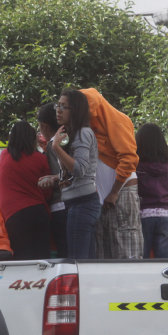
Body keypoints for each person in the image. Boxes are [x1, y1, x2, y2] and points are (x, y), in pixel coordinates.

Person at [79, 88, 143, 259]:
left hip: (120, 193)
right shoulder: (89, 127)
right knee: (103, 249)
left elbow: (129, 159)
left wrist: (114, 192)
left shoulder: (118, 120)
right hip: (102, 197)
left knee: (125, 246)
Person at [39, 89, 101, 259]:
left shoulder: (83, 133)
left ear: (76, 110)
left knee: (77, 261)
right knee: (83, 260)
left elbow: (80, 169)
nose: (58, 110)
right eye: (57, 105)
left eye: (63, 107)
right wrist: (54, 178)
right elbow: (74, 174)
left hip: (83, 204)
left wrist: (56, 148)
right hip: (76, 204)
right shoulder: (70, 134)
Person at [0, 120, 51, 260]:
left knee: (21, 260)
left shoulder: (4, 156)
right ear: (32, 139)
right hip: (38, 212)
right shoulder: (40, 159)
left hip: (14, 217)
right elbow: (48, 189)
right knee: (42, 260)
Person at [135, 123, 168, 258]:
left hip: (144, 213)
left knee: (143, 258)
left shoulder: (137, 163)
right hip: (166, 214)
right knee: (165, 261)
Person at [37, 102, 68, 258]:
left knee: (65, 252)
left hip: (59, 206)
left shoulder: (52, 145)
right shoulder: (66, 139)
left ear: (44, 126)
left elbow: (60, 173)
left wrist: (49, 179)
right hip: (73, 203)